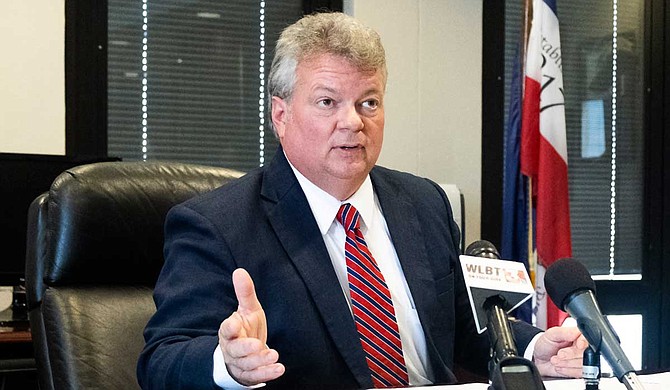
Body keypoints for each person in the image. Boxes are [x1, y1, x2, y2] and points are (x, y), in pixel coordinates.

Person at [137, 12, 587, 389]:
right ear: (281, 115)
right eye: (328, 102)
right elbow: (161, 360)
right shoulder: (217, 224)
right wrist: (228, 364)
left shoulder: (423, 202)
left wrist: (531, 347)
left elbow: (462, 330)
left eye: (368, 102)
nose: (352, 122)